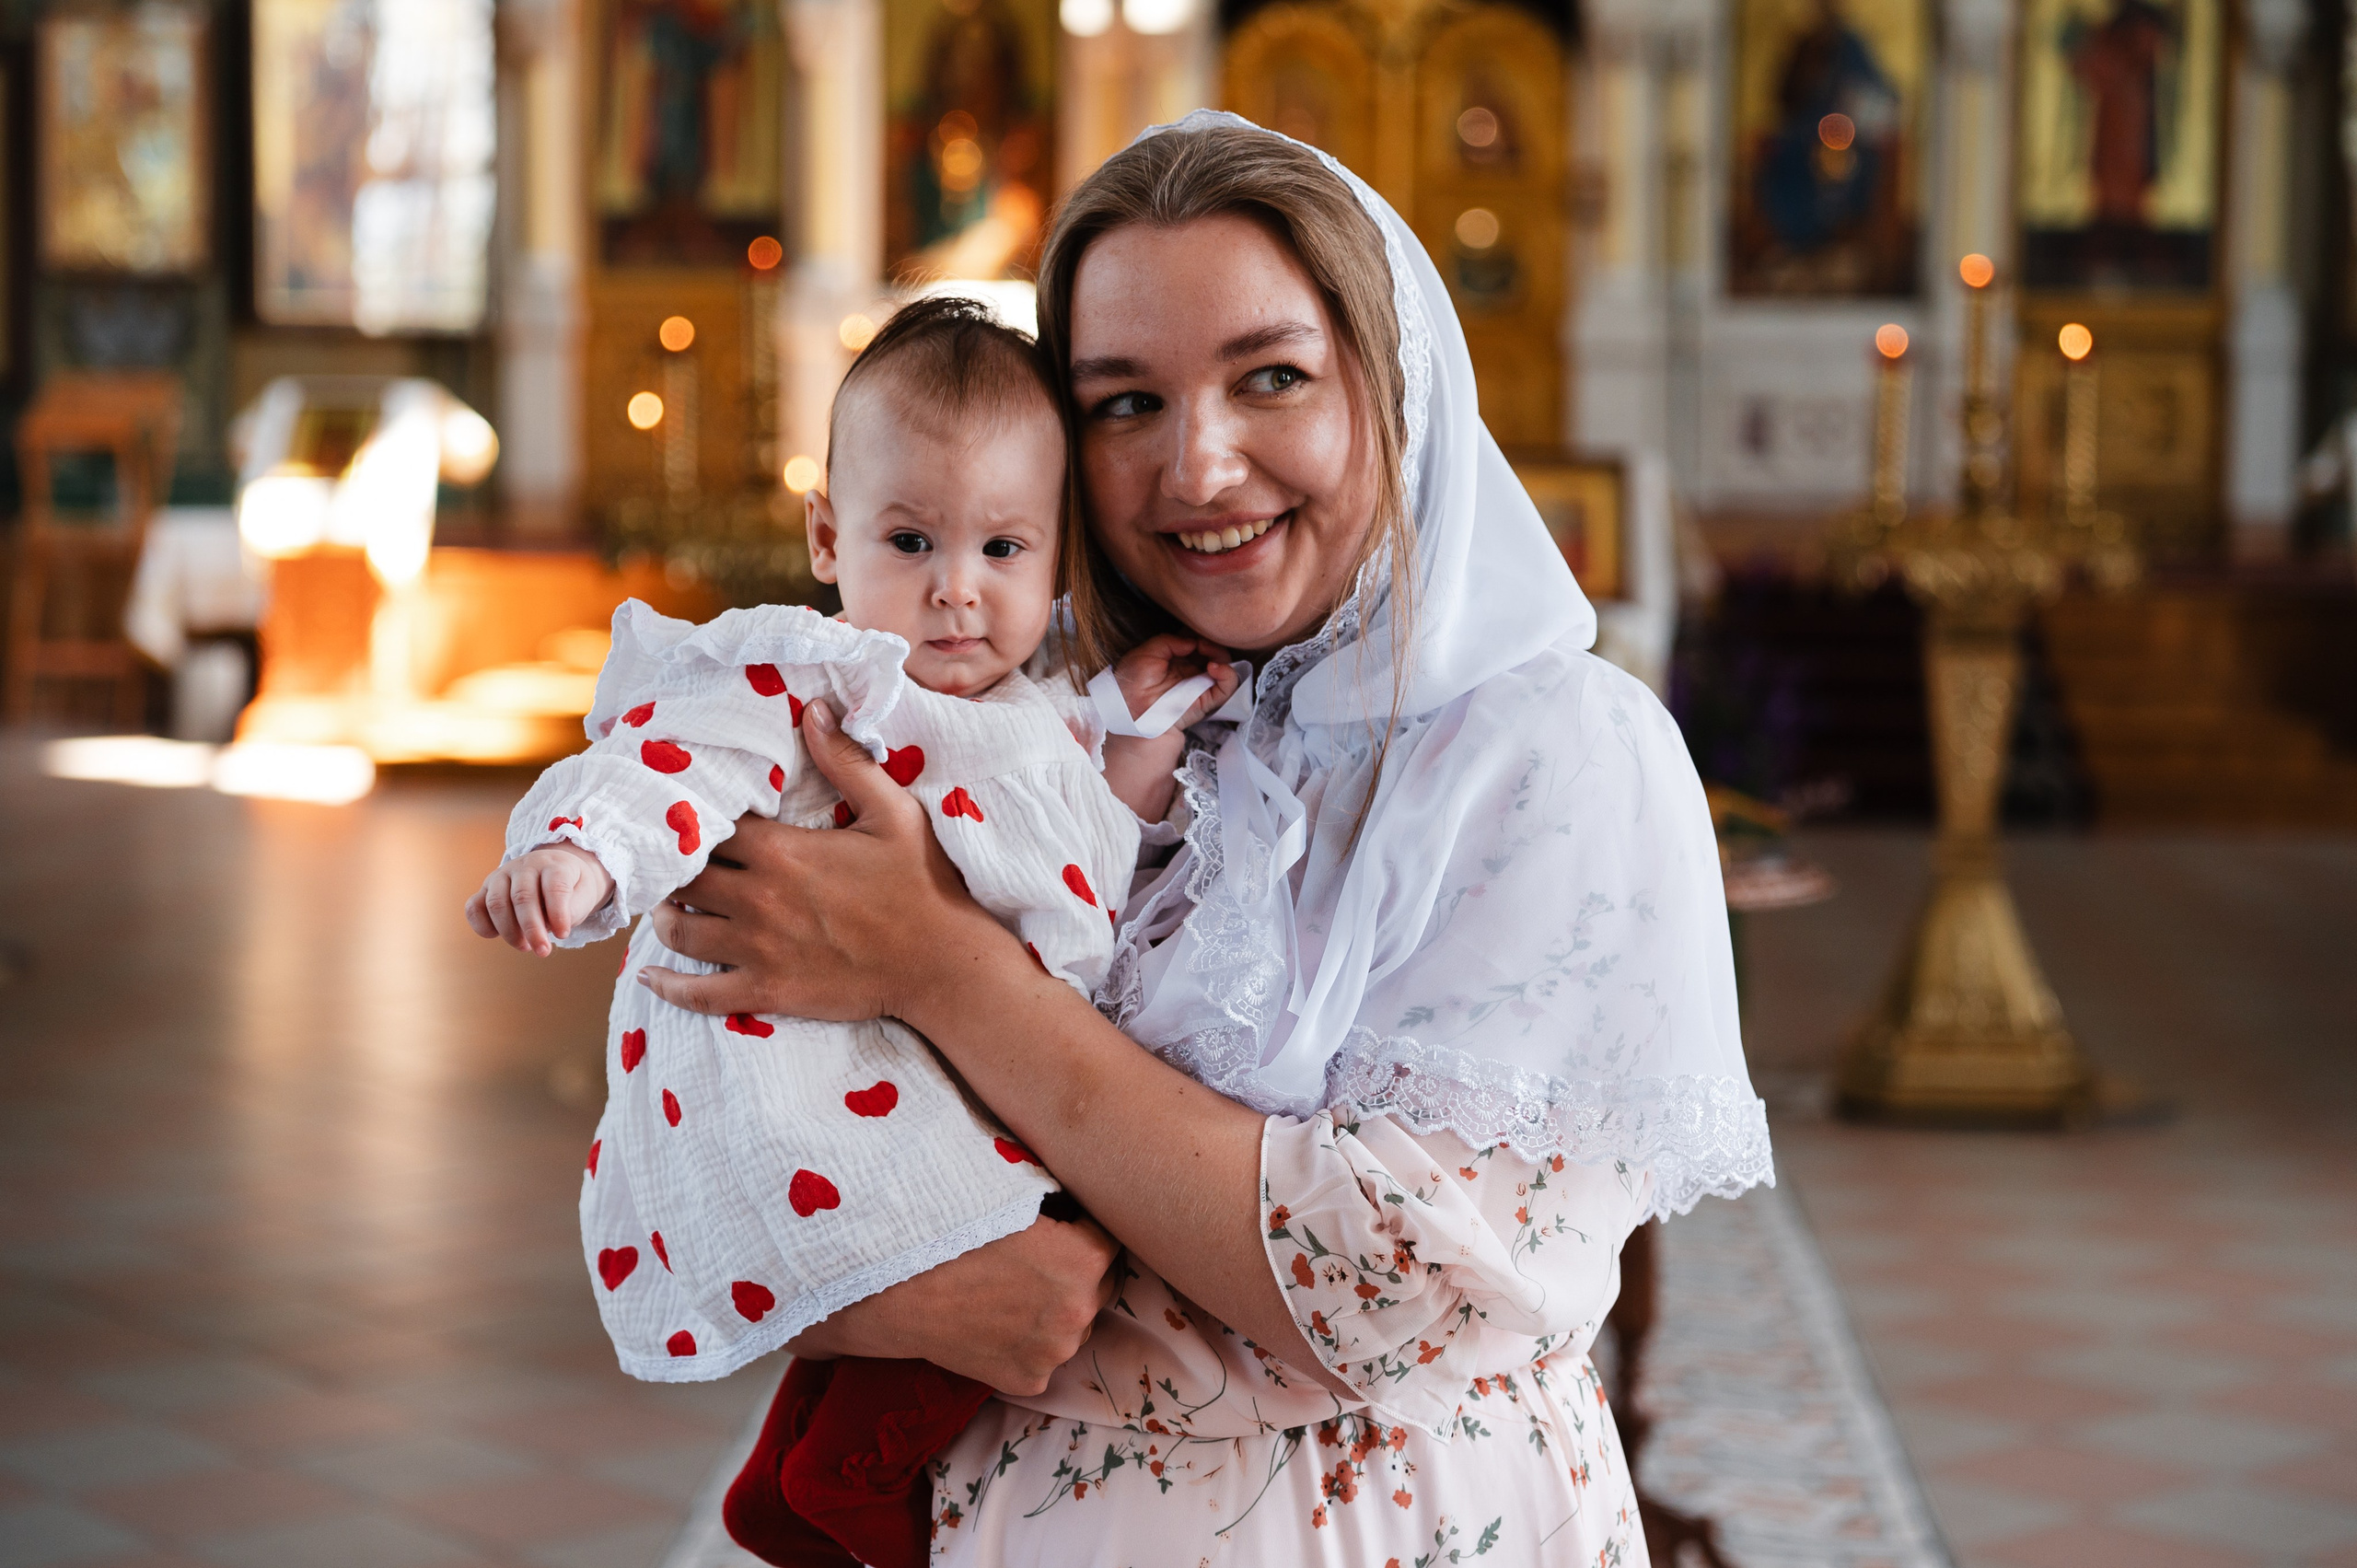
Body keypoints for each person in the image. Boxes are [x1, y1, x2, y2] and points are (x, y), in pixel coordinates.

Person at [636, 111, 1774, 1562]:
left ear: (1396, 383)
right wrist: (878, 1296)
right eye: (1122, 403)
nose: (1198, 468)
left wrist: (942, 972)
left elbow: (1383, 1286)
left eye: (1273, 380)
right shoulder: (1023, 714)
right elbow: (691, 1130)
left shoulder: (1553, 750)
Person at [464, 296, 1234, 1568]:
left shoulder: (1038, 715)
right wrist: (578, 857)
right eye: (911, 540)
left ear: (1058, 562)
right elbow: (672, 764)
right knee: (958, 1240)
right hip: (814, 1085)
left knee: (925, 1254)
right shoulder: (810, 681)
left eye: (1002, 549)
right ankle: (841, 1486)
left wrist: (1141, 743)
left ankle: (786, 1474)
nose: (954, 593)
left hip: (919, 1069)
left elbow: (1086, 841)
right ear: (829, 536)